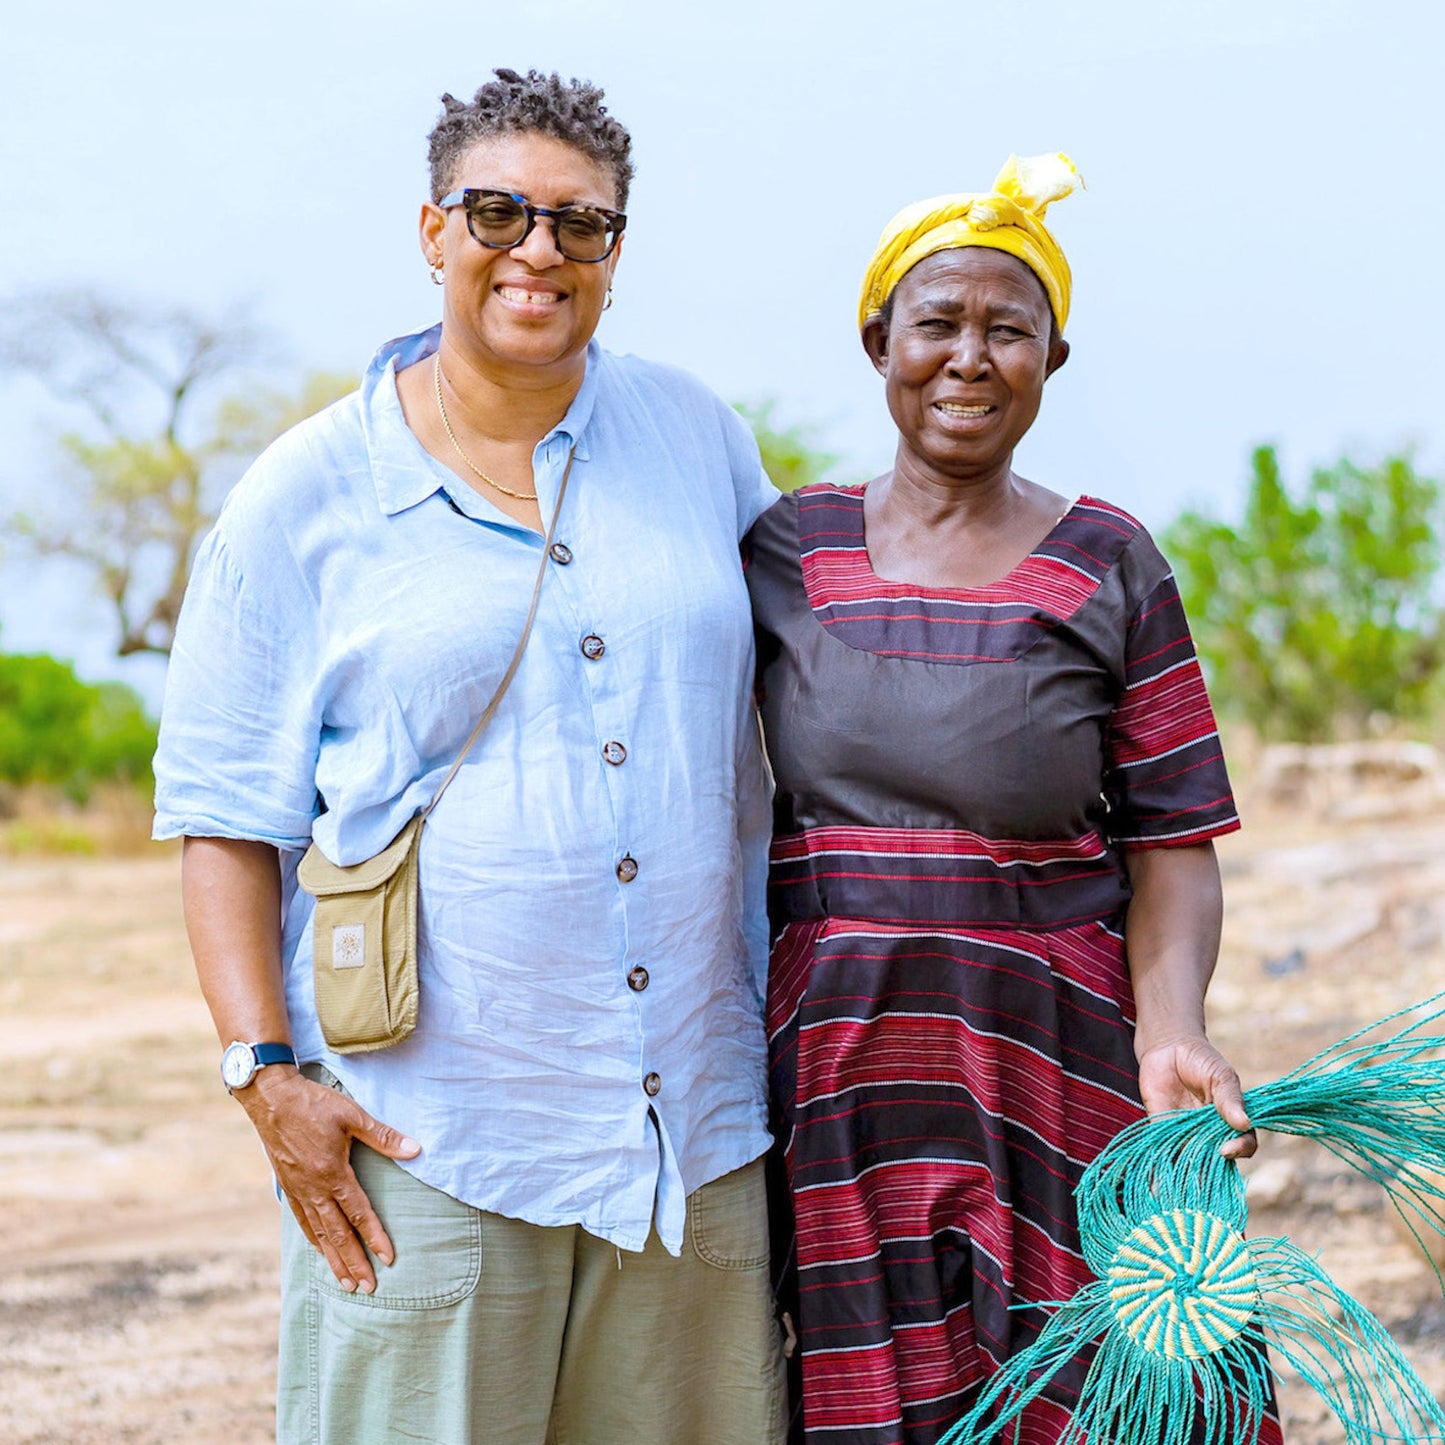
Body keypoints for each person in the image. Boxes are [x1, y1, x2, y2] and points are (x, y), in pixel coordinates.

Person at [153, 68, 786, 1445]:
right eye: (497, 212)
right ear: (432, 231)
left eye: (581, 224)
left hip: (696, 1125)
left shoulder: (698, 441)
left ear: (617, 247)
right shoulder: (304, 493)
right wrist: (265, 1076)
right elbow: (223, 819)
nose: (538, 251)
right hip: (430, 1136)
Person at [746, 154, 1279, 1445]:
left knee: (1117, 1384)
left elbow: (1171, 837)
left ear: (1052, 357)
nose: (968, 358)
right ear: (877, 341)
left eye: (1008, 329)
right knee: (878, 1392)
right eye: (936, 323)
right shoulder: (784, 547)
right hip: (838, 1060)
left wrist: (1173, 1031)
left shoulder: (1109, 558)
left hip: (1061, 1051)